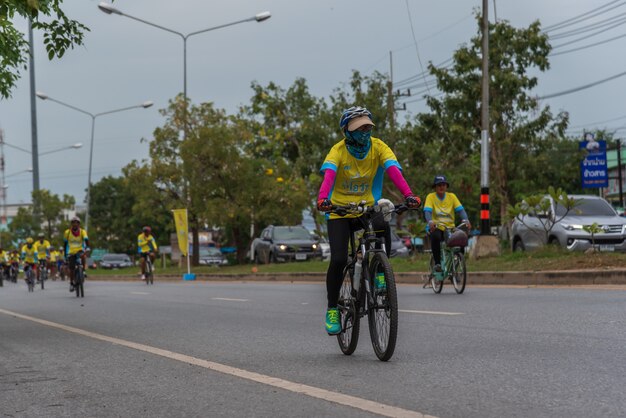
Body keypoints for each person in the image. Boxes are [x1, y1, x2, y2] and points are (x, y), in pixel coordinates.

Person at [317, 106, 421, 335]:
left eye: (367, 127)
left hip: (366, 207)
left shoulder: (379, 146)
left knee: (383, 220)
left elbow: (393, 170)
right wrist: (323, 198)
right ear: (347, 131)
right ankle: (332, 308)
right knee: (338, 259)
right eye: (359, 128)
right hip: (340, 211)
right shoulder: (337, 151)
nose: (364, 131)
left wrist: (409, 195)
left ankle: (381, 274)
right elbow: (329, 175)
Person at [423, 175, 471, 276]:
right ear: (435, 187)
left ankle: (456, 267)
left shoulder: (452, 196)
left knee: (461, 239)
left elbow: (461, 210)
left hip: (450, 228)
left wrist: (465, 220)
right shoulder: (430, 197)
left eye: (443, 185)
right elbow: (427, 212)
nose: (441, 187)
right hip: (437, 227)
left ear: (446, 186)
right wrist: (430, 221)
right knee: (435, 237)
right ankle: (437, 263)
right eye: (439, 185)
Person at [64, 216, 90, 292]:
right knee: (71, 268)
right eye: (73, 223)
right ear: (71, 224)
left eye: (77, 223)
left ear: (79, 224)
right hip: (71, 252)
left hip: (80, 250)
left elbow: (86, 240)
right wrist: (65, 255)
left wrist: (88, 247)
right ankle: (72, 283)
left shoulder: (82, 231)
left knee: (83, 256)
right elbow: (65, 244)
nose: (75, 224)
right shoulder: (67, 232)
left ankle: (84, 271)